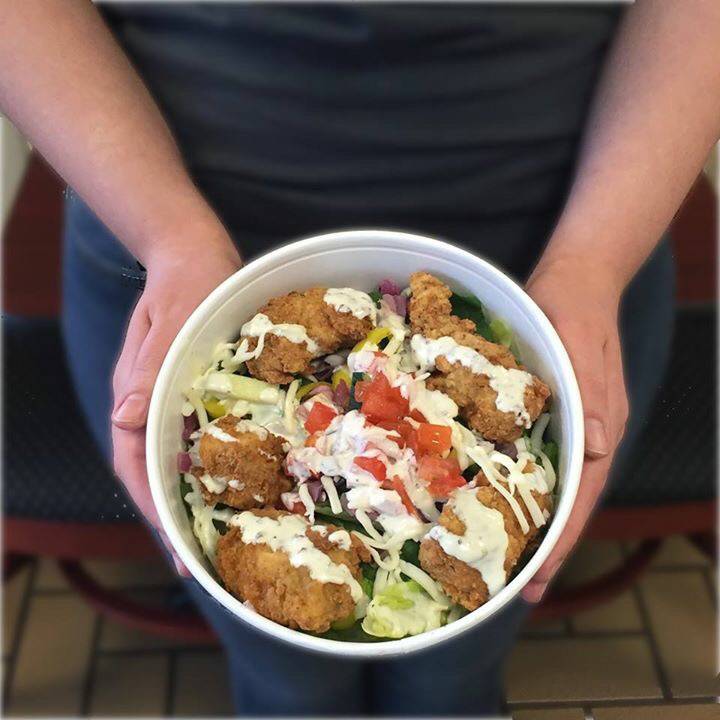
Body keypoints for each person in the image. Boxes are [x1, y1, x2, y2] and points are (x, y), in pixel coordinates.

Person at [1, 1, 717, 715]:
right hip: (156, 216)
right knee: (281, 675)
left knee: (458, 671)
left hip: (573, 230)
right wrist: (170, 236)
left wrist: (592, 261)